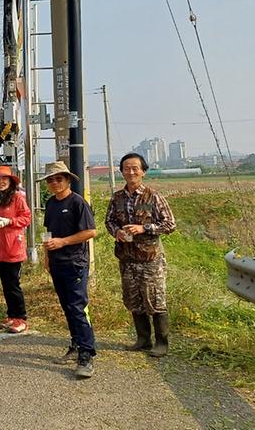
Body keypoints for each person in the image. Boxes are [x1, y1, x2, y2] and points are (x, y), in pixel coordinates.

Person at [105, 152, 176, 358]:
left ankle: (162, 343)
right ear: (121, 172)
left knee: (155, 299)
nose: (131, 172)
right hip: (127, 258)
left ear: (143, 171)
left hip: (150, 259)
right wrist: (116, 232)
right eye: (126, 168)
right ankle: (143, 339)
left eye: (135, 168)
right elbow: (109, 221)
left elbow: (170, 224)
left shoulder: (153, 197)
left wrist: (144, 228)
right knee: (133, 299)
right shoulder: (117, 198)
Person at [39, 161, 97, 379]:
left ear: (68, 180)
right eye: (50, 180)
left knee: (77, 307)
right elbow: (49, 234)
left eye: (58, 179)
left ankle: (86, 354)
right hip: (57, 263)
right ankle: (75, 344)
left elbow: (91, 232)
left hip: (75, 263)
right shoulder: (51, 204)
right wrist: (47, 257)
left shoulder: (77, 203)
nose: (54, 183)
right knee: (67, 307)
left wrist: (63, 243)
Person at [0, 165, 32, 334]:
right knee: (6, 284)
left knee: (13, 284)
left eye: (4, 179)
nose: (1, 182)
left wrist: (8, 221)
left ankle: (21, 318)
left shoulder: (17, 197)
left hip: (13, 247)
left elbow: (26, 218)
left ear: (11, 181)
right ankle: (11, 316)